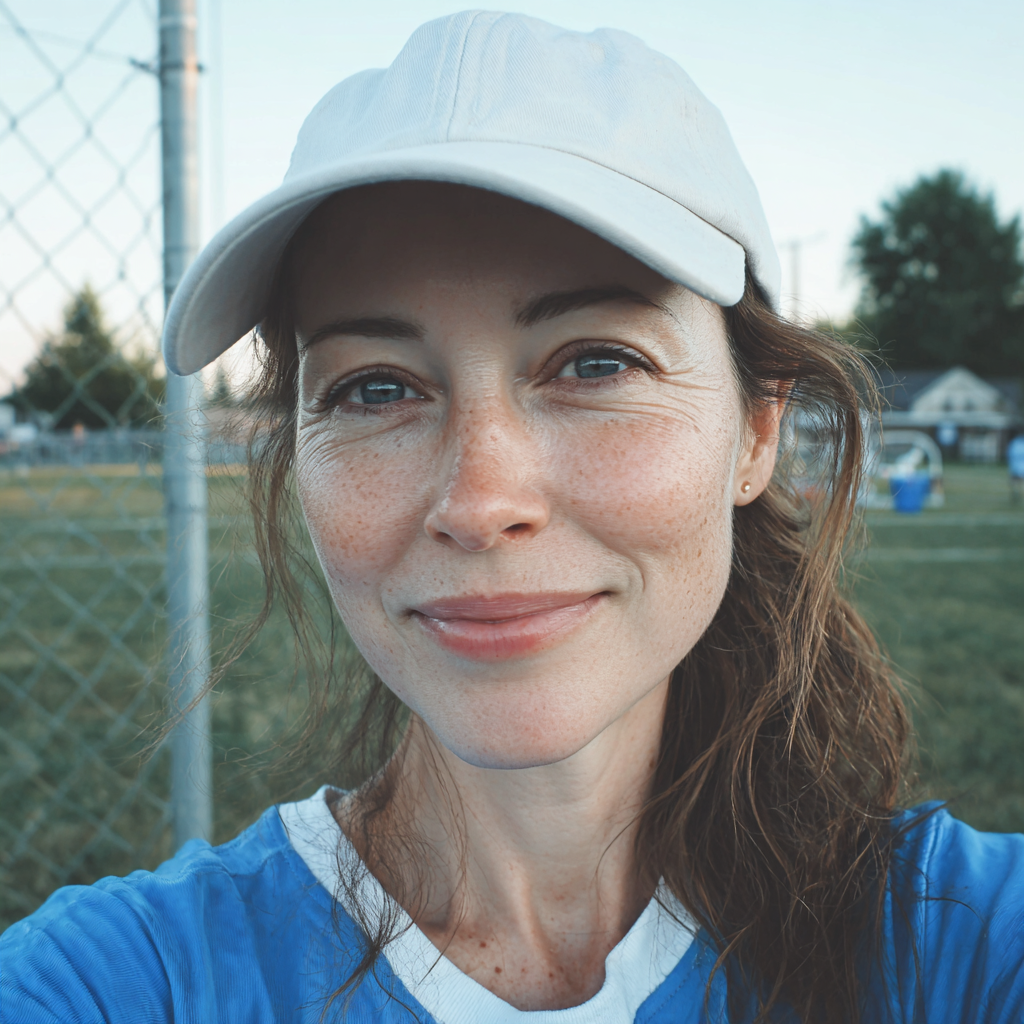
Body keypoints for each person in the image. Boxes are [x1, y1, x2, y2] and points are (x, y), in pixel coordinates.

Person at [2, 12, 1022, 1024]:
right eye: (374, 388)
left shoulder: (958, 943)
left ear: (756, 432)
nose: (482, 502)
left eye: (596, 363)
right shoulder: (123, 984)